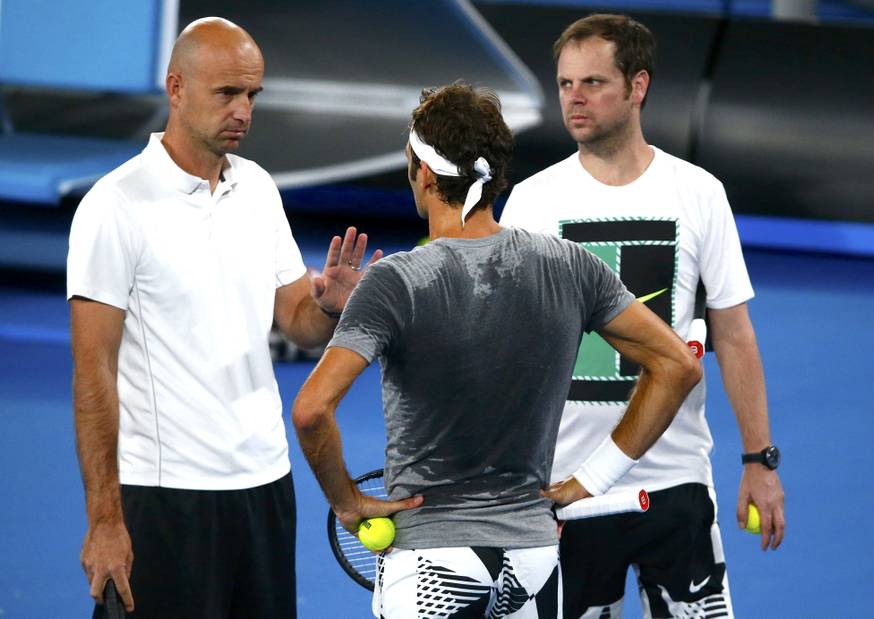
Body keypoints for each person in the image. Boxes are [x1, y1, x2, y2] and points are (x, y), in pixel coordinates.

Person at [292, 82, 702, 619]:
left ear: (423, 172)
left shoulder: (395, 280)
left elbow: (310, 410)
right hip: (533, 562)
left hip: (431, 567)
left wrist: (346, 502)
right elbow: (678, 365)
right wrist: (592, 480)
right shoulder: (571, 266)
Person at [67, 17, 380, 618]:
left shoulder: (258, 188)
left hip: (263, 484)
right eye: (227, 93)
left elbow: (296, 321)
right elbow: (93, 370)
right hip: (164, 497)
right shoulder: (113, 206)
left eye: (252, 95)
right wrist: (105, 519)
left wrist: (332, 307)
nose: (243, 110)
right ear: (176, 88)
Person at [499, 13, 786, 618]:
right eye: (565, 84)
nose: (575, 99)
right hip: (564, 490)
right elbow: (510, 352)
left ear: (638, 86)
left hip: (676, 480)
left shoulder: (699, 193)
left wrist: (759, 460)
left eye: (594, 83)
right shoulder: (531, 202)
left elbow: (734, 336)